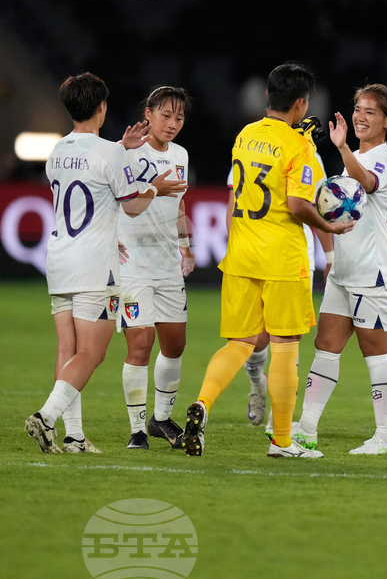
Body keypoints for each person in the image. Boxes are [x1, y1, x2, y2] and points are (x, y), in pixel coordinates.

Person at [180, 62, 353, 459]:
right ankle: (282, 441)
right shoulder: (300, 147)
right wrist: (329, 225)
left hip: (242, 254)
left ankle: (202, 403)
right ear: (302, 103)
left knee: (239, 343)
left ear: (266, 96)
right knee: (285, 346)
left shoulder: (246, 135)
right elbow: (297, 204)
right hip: (282, 258)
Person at [26, 72, 183, 453]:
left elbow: (90, 177)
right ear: (102, 106)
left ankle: (75, 436)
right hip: (95, 265)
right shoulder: (110, 153)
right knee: (92, 353)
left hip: (58, 260)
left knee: (67, 350)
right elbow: (132, 206)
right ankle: (46, 417)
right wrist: (156, 187)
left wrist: (121, 148)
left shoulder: (57, 151)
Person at [292, 84, 387, 455]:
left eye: (370, 111)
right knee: (325, 346)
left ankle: (384, 438)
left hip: (373, 273)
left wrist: (341, 148)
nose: (360, 116)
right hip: (345, 270)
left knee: (376, 355)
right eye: (358, 108)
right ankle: (307, 428)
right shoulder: (356, 155)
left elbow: (367, 184)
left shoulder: (382, 157)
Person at [118, 86, 195, 450]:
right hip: (132, 263)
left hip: (167, 265)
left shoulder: (180, 154)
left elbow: (179, 204)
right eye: (166, 115)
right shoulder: (128, 152)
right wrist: (154, 188)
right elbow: (128, 206)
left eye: (179, 118)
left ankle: (160, 419)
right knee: (141, 344)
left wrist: (186, 247)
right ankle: (136, 430)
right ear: (147, 113)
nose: (172, 124)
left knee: (175, 344)